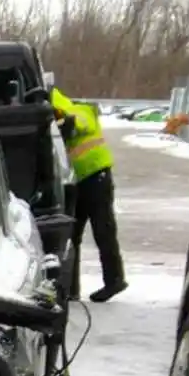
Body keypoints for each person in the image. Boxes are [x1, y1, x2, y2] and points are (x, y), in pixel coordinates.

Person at [52, 86, 126, 302]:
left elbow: (83, 122)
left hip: (96, 177)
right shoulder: (55, 123)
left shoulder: (81, 111)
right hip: (78, 182)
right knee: (72, 234)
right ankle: (71, 288)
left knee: (103, 230)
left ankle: (114, 281)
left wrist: (68, 123)